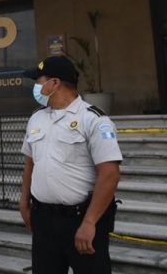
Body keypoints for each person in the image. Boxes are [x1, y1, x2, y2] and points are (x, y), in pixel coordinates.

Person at [20, 56, 122, 274]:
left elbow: (110, 174)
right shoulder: (36, 118)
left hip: (81, 219)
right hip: (43, 220)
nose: (36, 87)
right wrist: (24, 203)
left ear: (54, 83)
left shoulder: (94, 119)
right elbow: (30, 163)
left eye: (39, 81)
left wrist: (89, 222)